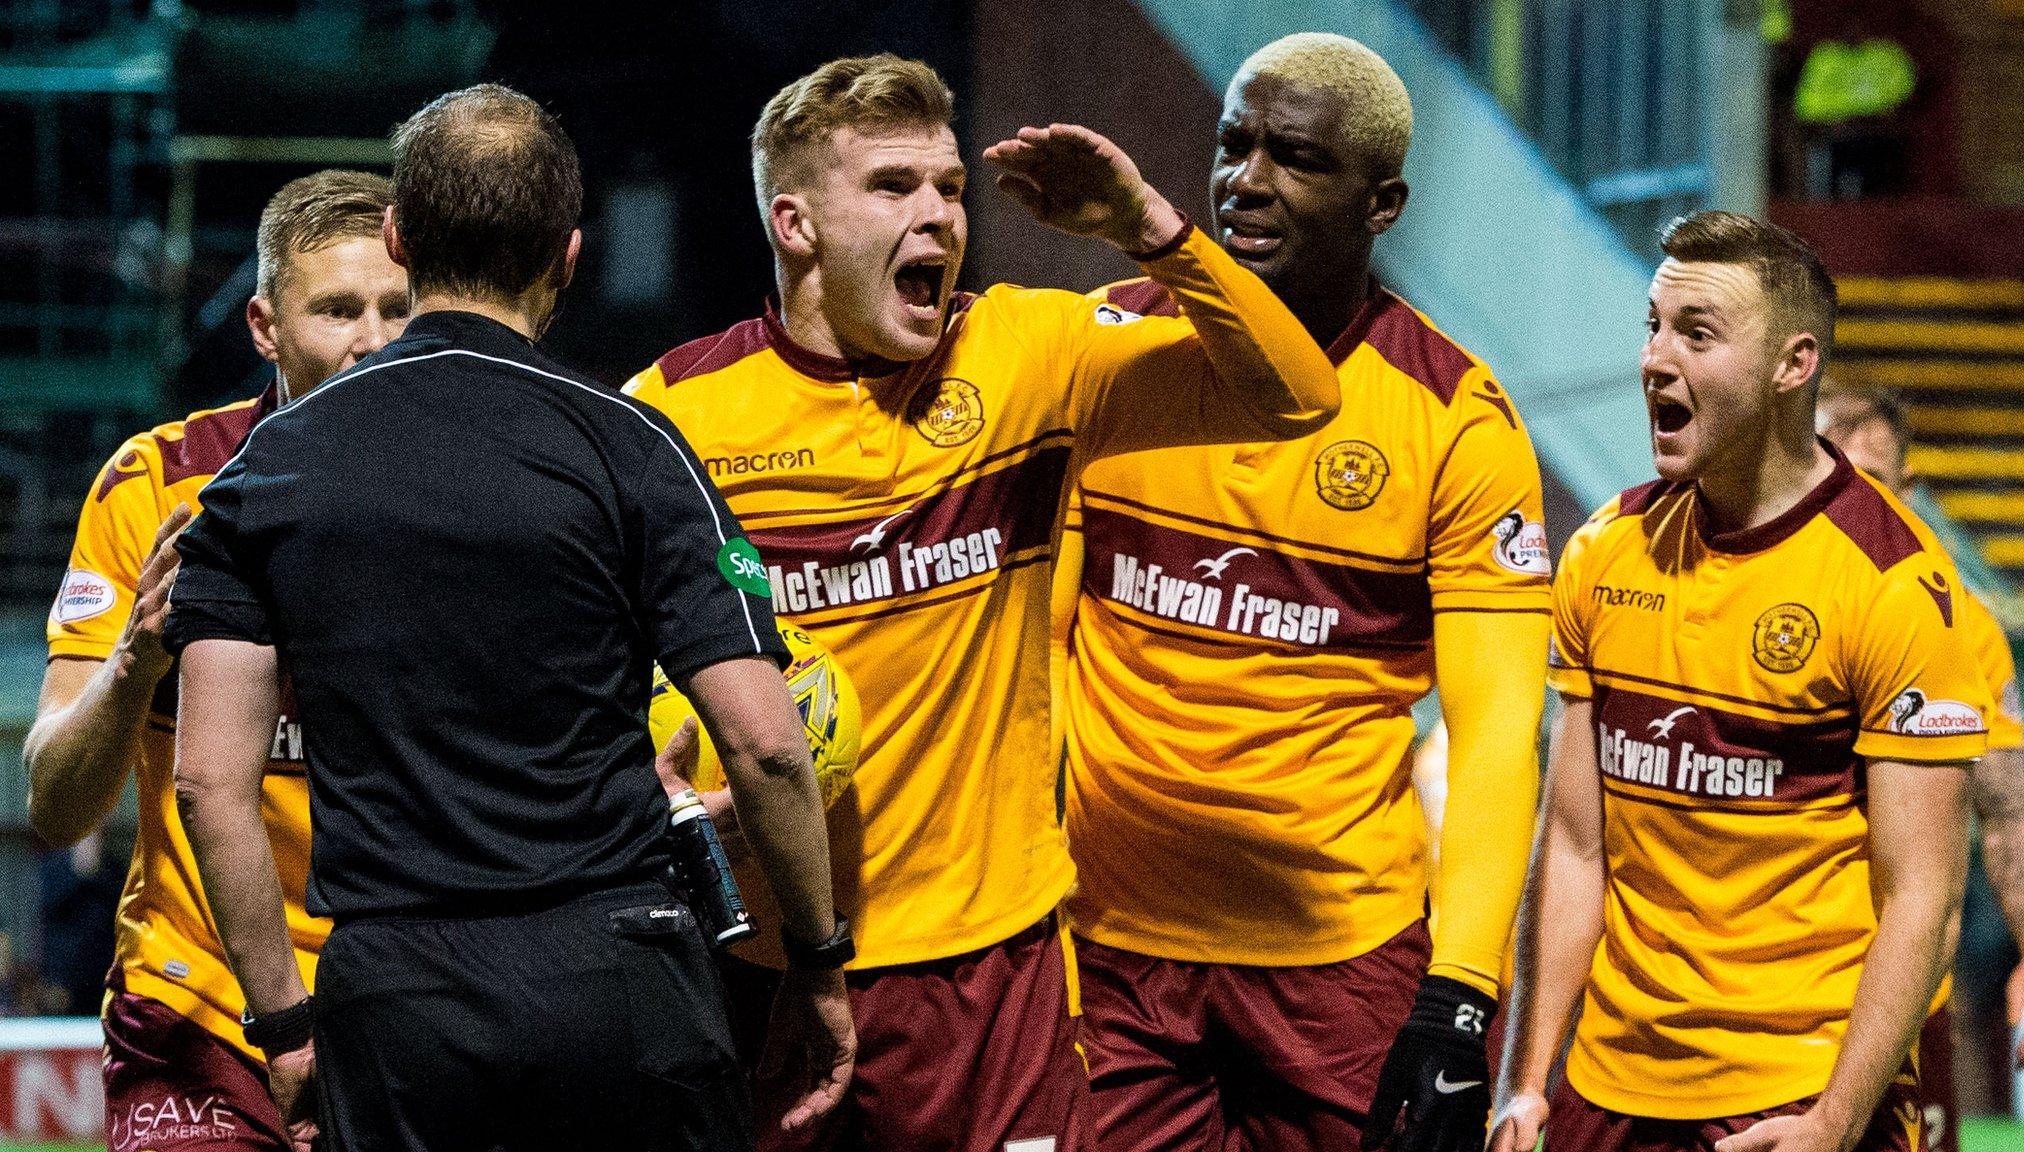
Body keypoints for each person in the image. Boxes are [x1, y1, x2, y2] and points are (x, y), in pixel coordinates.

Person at [625, 53, 1341, 1152]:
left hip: (988, 966)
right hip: (760, 961)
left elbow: (1298, 397)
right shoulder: (673, 411)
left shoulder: (1024, 352)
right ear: (796, 222)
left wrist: (1147, 226)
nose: (936, 217)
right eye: (891, 187)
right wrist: (659, 790)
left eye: (949, 188)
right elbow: (594, 669)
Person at [165, 85, 847, 1152]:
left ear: (397, 237)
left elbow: (209, 784)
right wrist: (814, 959)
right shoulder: (635, 449)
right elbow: (765, 748)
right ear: (568, 256)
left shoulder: (262, 475)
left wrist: (287, 1028)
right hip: (620, 978)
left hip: (398, 1003)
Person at [1049, 33, 1547, 1152]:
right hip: (1110, 956)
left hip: (1340, 972)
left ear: (1382, 204)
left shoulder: (1455, 420)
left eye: (1296, 159)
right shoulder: (1107, 350)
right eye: (1233, 144)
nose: (1245, 182)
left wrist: (1460, 994)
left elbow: (1498, 740)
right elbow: (1032, 652)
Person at [1490, 210, 1987, 1152]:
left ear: (1792, 366)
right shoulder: (1604, 551)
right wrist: (1527, 1084)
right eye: (1652, 325)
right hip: (1608, 1090)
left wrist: (1834, 1121)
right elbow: (1572, 851)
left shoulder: (1891, 582)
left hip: (1797, 1099)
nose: (1654, 359)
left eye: (1697, 333)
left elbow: (1923, 899)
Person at [27, 169, 407, 1152]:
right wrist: (136, 662)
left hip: (411, 1005)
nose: (373, 339)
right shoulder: (152, 484)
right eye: (337, 309)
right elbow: (57, 807)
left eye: (397, 309)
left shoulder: (474, 495)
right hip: (195, 1013)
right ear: (264, 326)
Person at [1817, 384, 2024, 1149]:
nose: (1850, 506)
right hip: (1745, 1001)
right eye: (1829, 477)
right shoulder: (1731, 601)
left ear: (1908, 492)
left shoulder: (1967, 630)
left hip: (1903, 1005)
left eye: (1873, 485)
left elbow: (2008, 809)